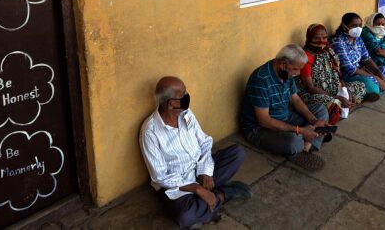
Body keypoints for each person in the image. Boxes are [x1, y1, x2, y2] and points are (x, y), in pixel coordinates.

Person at [140, 77, 251, 229]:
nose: (187, 96)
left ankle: (204, 201)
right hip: (178, 185)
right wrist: (196, 188)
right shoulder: (150, 131)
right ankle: (223, 195)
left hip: (198, 170)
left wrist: (205, 171)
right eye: (183, 94)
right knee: (185, 217)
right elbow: (160, 176)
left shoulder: (185, 113)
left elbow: (205, 142)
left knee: (238, 153)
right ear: (171, 103)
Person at [240, 45, 331, 172]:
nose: (298, 73)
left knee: (321, 111)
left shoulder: (286, 73)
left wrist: (314, 121)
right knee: (293, 141)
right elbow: (264, 121)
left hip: (285, 116)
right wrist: (300, 130)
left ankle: (306, 146)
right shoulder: (260, 79)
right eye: (295, 69)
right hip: (258, 129)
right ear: (283, 64)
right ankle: (305, 142)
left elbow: (296, 99)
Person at [297, 24, 367, 118]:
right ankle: (344, 108)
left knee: (360, 86)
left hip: (334, 89)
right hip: (314, 94)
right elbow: (310, 87)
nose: (321, 41)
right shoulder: (305, 57)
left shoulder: (328, 51)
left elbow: (338, 75)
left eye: (324, 37)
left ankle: (344, 108)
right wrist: (337, 98)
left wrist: (346, 91)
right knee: (333, 102)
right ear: (309, 38)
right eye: (316, 38)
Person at [331, 13, 385, 97]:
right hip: (348, 76)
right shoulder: (338, 41)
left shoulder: (357, 39)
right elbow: (349, 69)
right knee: (370, 84)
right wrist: (376, 78)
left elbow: (366, 58)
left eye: (360, 25)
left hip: (362, 71)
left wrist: (379, 74)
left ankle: (379, 88)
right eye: (354, 25)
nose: (358, 28)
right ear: (344, 26)